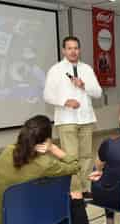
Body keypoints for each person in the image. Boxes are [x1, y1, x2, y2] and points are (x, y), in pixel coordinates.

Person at [0, 115, 115, 224]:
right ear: (44, 140)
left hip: (4, 223)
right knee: (70, 207)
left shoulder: (7, 152)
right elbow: (75, 165)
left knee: (68, 203)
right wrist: (53, 149)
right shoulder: (45, 164)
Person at [43, 36, 102, 197]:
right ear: (64, 50)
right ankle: (74, 191)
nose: (73, 51)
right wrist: (65, 101)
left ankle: (83, 187)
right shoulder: (56, 70)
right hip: (66, 119)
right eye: (69, 48)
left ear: (79, 50)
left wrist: (84, 86)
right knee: (70, 157)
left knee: (86, 157)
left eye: (76, 48)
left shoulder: (87, 69)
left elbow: (98, 92)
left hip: (86, 118)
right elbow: (47, 95)